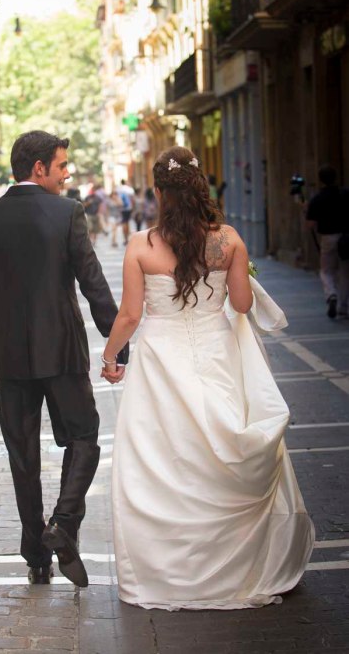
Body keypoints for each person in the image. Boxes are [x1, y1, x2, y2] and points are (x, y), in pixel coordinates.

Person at [102, 146, 314, 610]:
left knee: (165, 455)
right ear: (201, 187)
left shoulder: (141, 245)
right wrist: (240, 276)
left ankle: (168, 567)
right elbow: (240, 304)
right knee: (219, 443)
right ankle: (238, 565)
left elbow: (130, 315)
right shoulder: (229, 240)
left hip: (160, 358)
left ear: (159, 192)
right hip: (216, 352)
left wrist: (110, 355)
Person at [0, 130, 128, 588]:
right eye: (62, 166)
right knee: (85, 436)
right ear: (39, 168)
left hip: (10, 355)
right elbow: (92, 282)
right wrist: (117, 343)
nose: (67, 174)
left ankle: (37, 556)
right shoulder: (67, 212)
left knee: (23, 455)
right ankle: (64, 521)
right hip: (62, 349)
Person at [306, 165, 349, 319]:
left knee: (326, 270)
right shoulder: (345, 194)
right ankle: (343, 307)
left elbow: (310, 224)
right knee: (345, 272)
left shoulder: (317, 199)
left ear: (320, 180)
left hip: (328, 238)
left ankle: (331, 294)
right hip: (346, 237)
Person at [117, 179, 135, 245]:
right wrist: (133, 208)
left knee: (124, 222)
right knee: (127, 222)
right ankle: (127, 238)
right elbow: (133, 199)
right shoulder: (129, 189)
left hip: (122, 209)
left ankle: (125, 238)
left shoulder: (119, 189)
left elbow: (117, 198)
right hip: (128, 208)